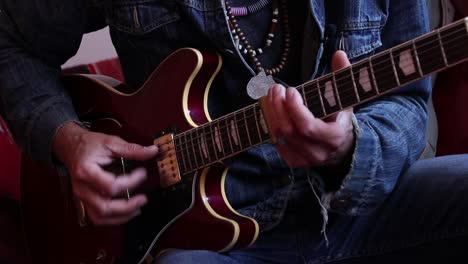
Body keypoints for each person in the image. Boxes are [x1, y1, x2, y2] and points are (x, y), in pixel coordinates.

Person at [1, 0, 467, 263]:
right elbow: (10, 44)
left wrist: (346, 145)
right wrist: (68, 138)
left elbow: (407, 102)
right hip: (211, 245)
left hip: (354, 215)